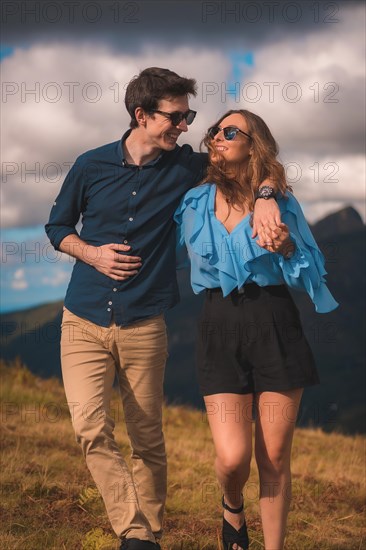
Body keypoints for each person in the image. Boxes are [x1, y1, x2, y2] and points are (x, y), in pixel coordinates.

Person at [45, 71, 281, 549]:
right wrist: (91, 253)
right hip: (82, 319)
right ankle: (135, 531)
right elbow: (57, 227)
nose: (185, 127)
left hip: (144, 323)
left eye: (188, 116)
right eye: (176, 117)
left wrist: (266, 198)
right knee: (90, 426)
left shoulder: (188, 168)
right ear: (142, 115)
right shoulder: (90, 165)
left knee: (147, 438)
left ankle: (145, 538)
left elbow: (259, 159)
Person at [174, 109, 338, 550]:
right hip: (218, 326)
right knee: (232, 460)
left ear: (254, 142)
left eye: (231, 131)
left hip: (274, 322)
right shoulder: (193, 201)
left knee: (275, 457)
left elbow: (312, 275)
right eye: (216, 131)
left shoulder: (281, 202)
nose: (219, 137)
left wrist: (286, 247)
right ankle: (232, 507)